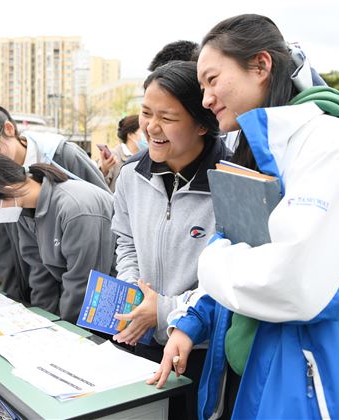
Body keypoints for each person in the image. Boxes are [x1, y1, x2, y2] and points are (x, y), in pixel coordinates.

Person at [148, 14, 339, 420]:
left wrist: (212, 257)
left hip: (304, 380)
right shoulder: (261, 146)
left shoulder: (328, 142)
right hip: (254, 368)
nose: (205, 99)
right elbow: (246, 251)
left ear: (260, 66)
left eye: (212, 79)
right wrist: (192, 320)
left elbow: (293, 281)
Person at [111, 61, 229, 420]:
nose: (151, 127)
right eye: (146, 113)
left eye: (168, 117)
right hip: (140, 336)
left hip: (200, 347)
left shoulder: (230, 182)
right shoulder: (131, 174)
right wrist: (134, 291)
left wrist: (164, 310)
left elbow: (229, 276)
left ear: (202, 123)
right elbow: (125, 240)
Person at [0, 104, 110, 303]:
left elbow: (105, 215)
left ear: (9, 129)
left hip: (96, 291)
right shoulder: (9, 198)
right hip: (51, 288)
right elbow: (11, 249)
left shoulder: (60, 157)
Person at [0, 150, 115, 323]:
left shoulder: (75, 208)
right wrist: (43, 320)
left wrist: (65, 328)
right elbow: (39, 271)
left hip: (110, 307)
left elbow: (84, 282)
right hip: (80, 301)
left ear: (6, 190)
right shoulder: (24, 211)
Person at [99, 114, 146, 192]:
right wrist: (104, 170)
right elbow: (100, 186)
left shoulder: (146, 156)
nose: (147, 134)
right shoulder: (113, 155)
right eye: (143, 131)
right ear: (131, 135)